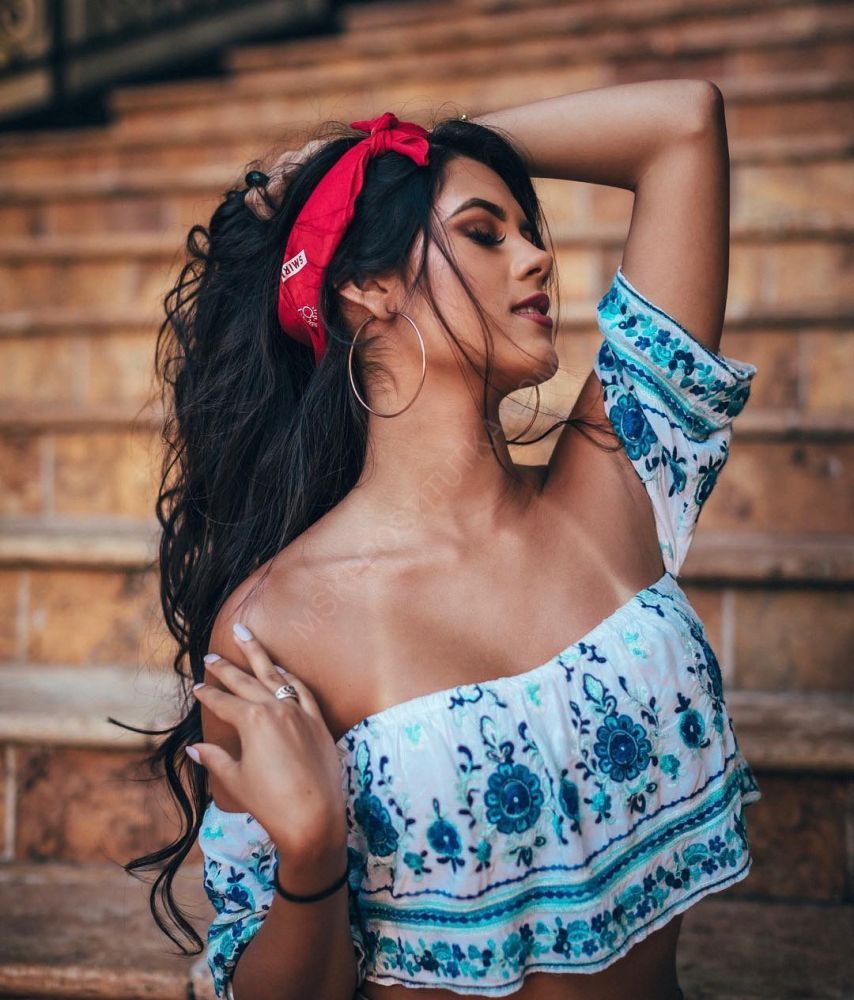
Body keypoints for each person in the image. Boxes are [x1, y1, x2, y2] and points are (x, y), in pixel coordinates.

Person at [124, 82, 762, 1000]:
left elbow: (684, 125)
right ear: (368, 287)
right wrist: (310, 854)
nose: (539, 258)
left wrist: (397, 156)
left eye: (528, 232)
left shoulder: (617, 484)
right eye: (484, 233)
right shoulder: (280, 626)